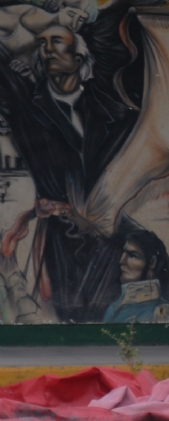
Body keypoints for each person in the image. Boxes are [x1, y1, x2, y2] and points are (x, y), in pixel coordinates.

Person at [0, 25, 139, 320]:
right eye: (42, 42)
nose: (47, 48)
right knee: (68, 311)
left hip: (108, 231)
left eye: (56, 42)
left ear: (78, 58)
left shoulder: (108, 110)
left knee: (108, 309)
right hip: (60, 233)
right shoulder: (28, 108)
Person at [102, 228, 169, 323]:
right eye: (124, 253)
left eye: (132, 255)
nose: (122, 261)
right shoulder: (113, 308)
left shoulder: (162, 312)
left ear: (152, 262)